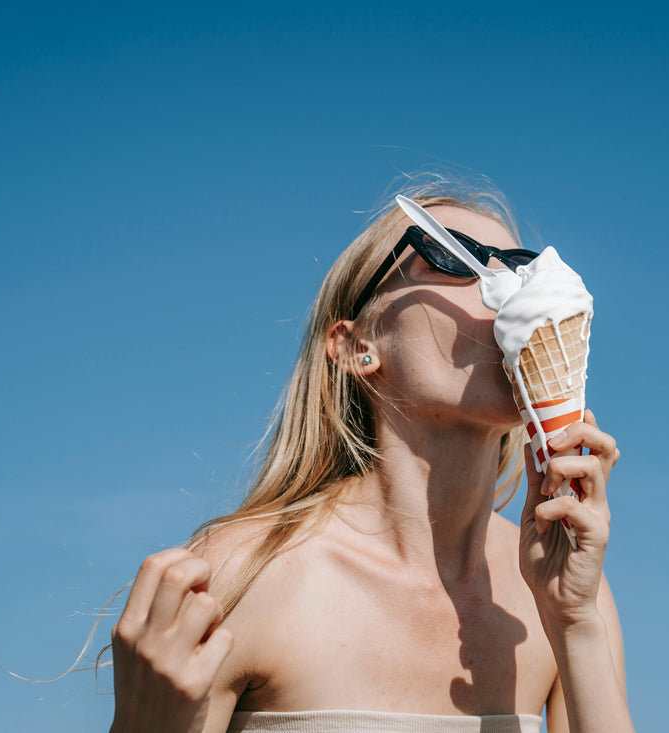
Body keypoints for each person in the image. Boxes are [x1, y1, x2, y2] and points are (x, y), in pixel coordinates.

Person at [107, 179, 633, 733]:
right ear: (358, 346)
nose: (503, 288)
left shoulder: (566, 585)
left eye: (519, 267)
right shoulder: (240, 574)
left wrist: (575, 625)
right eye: (452, 257)